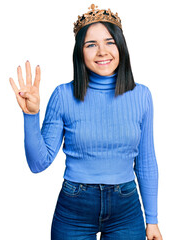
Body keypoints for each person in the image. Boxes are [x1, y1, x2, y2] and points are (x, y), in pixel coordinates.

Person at [9, 3, 163, 240]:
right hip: (74, 209)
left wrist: (152, 220)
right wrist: (31, 115)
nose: (102, 51)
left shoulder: (141, 96)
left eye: (109, 42)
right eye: (91, 45)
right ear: (80, 53)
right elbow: (38, 163)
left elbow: (146, 161)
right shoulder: (63, 96)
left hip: (127, 209)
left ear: (121, 46)